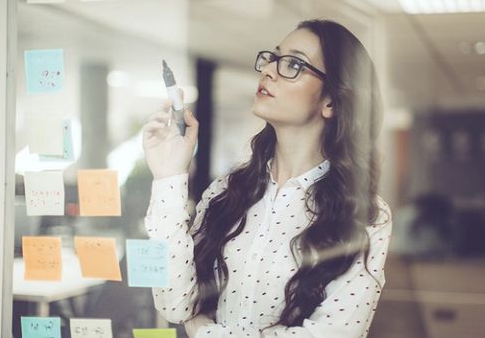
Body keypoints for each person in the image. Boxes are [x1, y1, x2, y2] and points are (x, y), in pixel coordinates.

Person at [142, 19, 393, 338]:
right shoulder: (228, 191)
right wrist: (169, 176)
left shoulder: (365, 214)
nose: (270, 70)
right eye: (273, 58)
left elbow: (334, 333)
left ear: (330, 101)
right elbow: (175, 305)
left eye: (294, 64)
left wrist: (206, 332)